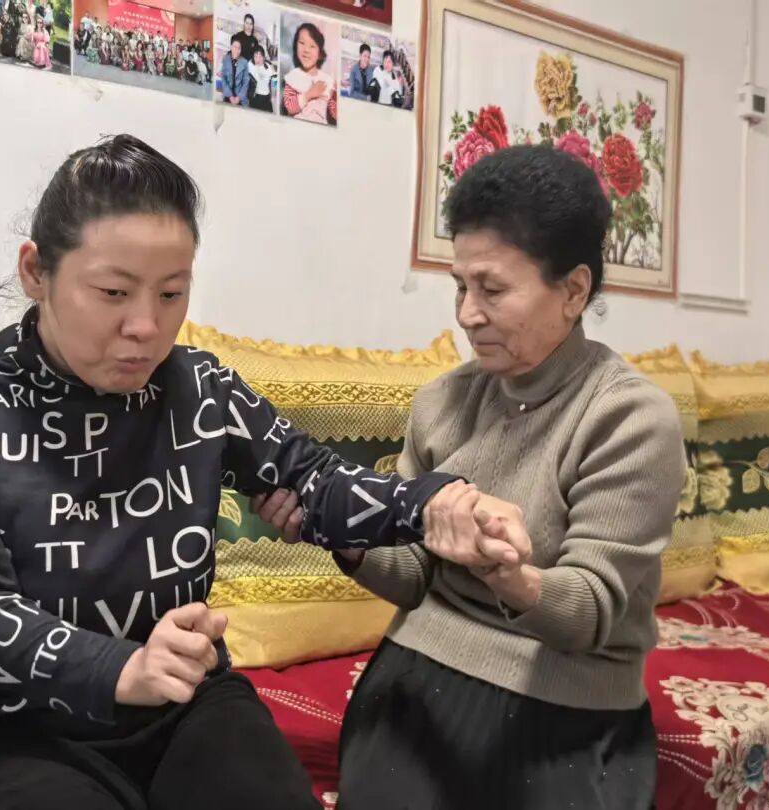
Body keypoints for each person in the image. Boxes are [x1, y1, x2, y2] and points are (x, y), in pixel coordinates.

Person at [0, 134, 510, 810]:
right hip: (10, 727)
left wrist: (437, 505)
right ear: (37, 272)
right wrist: (122, 667)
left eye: (171, 293)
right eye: (113, 292)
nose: (145, 326)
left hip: (183, 702)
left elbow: (316, 483)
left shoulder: (200, 389)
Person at [253, 145, 685, 810]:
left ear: (573, 291)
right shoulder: (443, 402)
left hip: (567, 700)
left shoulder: (628, 418)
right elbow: (413, 574)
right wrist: (342, 536)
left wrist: (507, 573)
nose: (466, 314)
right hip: (420, 673)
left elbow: (589, 612)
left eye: (492, 289)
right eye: (460, 286)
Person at [281, 22, 336, 126]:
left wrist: (336, 96)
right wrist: (309, 94)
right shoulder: (294, 76)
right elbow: (289, 107)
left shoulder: (327, 79)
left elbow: (334, 113)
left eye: (312, 46)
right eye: (302, 43)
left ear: (320, 54)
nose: (306, 50)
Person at [220, 34, 249, 107]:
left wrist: (239, 97)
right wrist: (230, 96)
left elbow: (246, 82)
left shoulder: (244, 62)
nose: (236, 50)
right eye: (235, 47)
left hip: (239, 97)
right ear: (231, 47)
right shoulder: (225, 59)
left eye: (239, 48)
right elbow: (223, 78)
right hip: (228, 95)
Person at [247, 45, 273, 113]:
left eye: (260, 56)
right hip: (255, 97)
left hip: (266, 97)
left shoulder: (268, 66)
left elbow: (271, 80)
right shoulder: (250, 65)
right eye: (256, 56)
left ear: (263, 57)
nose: (258, 59)